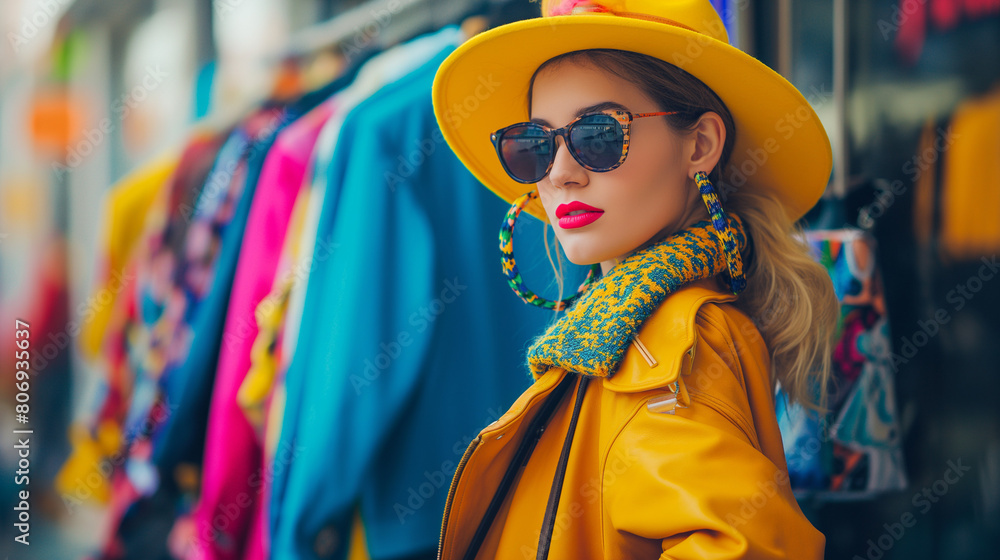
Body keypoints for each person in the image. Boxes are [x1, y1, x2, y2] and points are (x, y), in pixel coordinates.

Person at [431, 0, 839, 558]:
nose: (560, 173)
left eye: (597, 136)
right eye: (535, 145)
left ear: (699, 146)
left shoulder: (670, 341)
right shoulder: (631, 324)